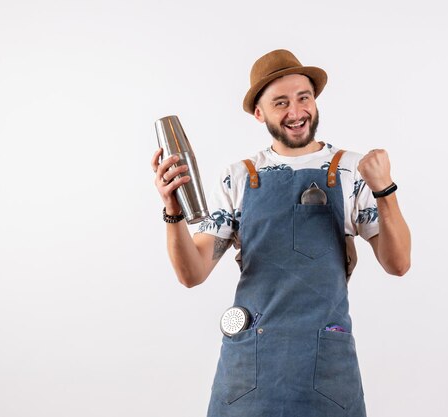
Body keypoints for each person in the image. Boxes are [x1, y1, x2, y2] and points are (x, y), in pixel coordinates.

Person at [151, 49, 411, 417]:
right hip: (250, 365)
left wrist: (385, 190)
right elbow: (192, 273)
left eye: (303, 97)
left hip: (326, 365)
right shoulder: (238, 177)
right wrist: (173, 212)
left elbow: (398, 264)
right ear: (259, 113)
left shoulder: (353, 170)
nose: (296, 112)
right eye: (281, 102)